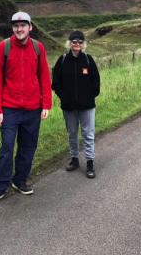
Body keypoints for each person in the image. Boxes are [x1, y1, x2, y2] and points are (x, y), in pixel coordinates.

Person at [0, 11, 52, 205]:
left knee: (28, 147)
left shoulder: (38, 48)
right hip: (9, 108)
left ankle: (20, 180)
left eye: (23, 25)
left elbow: (44, 77)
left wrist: (46, 103)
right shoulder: (3, 47)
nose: (19, 29)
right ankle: (0, 187)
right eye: (16, 25)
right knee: (7, 147)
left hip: (33, 108)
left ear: (30, 27)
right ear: (12, 28)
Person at [51, 30, 100, 178]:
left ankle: (90, 162)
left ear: (83, 44)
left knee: (88, 135)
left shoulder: (88, 60)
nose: (77, 44)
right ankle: (74, 160)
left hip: (87, 107)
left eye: (79, 42)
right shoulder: (63, 60)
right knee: (72, 134)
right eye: (74, 41)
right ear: (69, 43)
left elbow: (96, 83)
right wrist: (64, 97)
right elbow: (56, 83)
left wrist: (89, 97)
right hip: (69, 107)